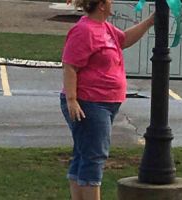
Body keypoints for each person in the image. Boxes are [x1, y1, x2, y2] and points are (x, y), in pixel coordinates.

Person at [60, 0, 155, 199]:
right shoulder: (84, 31)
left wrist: (151, 21)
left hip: (106, 103)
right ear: (101, 5)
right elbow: (69, 65)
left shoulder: (105, 28)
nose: (112, 3)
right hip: (89, 103)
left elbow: (125, 39)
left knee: (84, 153)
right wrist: (72, 99)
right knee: (95, 156)